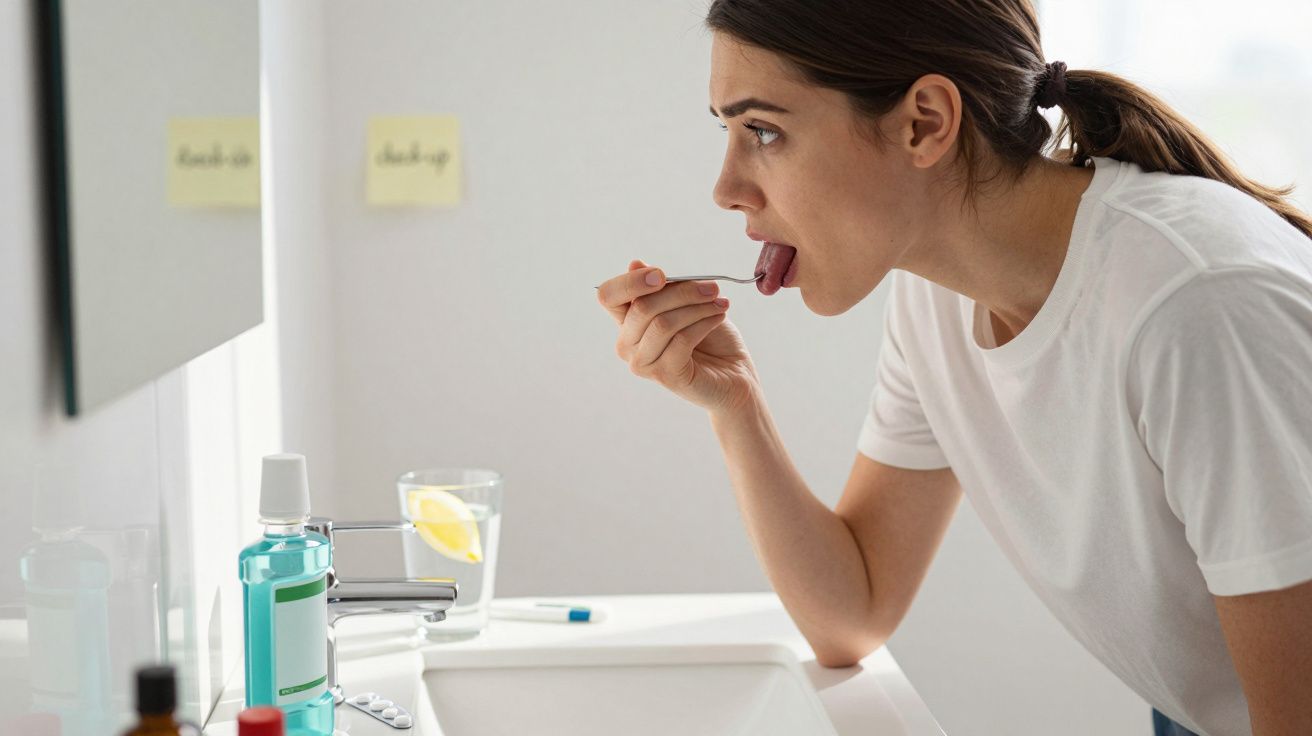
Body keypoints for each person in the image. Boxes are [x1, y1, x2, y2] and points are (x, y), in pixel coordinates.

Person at [595, 1, 1312, 734]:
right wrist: (735, 408)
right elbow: (854, 613)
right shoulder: (936, 297)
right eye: (730, 132)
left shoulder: (1195, 306)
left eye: (765, 131)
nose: (727, 188)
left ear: (926, 122)